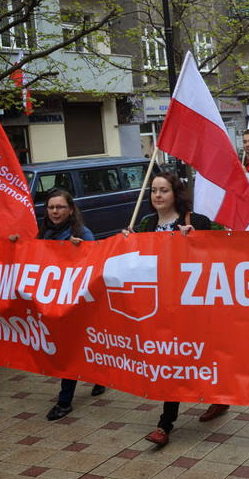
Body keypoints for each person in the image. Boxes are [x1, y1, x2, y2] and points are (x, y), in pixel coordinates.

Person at [128, 172, 228, 447]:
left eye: (164, 190)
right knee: (170, 359)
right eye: (154, 190)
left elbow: (223, 249)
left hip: (192, 306)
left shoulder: (197, 221)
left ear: (176, 193)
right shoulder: (146, 224)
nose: (158, 195)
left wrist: (196, 241)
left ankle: (211, 401)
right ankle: (167, 423)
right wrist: (126, 243)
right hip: (160, 306)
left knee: (197, 356)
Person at [35, 189, 106, 421]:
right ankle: (99, 376)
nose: (55, 211)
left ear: (71, 209)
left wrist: (81, 252)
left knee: (69, 349)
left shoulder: (82, 234)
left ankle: (64, 401)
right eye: (51, 207)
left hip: (75, 303)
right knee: (76, 345)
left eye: (60, 207)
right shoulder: (44, 233)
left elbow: (95, 267)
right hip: (53, 300)